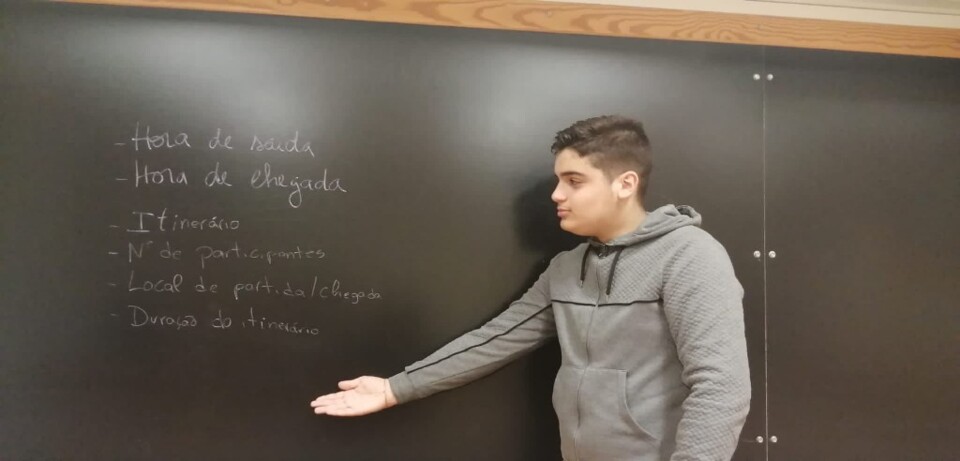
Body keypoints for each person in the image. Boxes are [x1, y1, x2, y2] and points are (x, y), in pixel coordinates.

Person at [311, 115, 751, 461]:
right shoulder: (567, 267)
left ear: (625, 184)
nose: (557, 194)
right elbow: (495, 339)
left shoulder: (689, 255)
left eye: (574, 181)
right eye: (558, 180)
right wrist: (396, 388)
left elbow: (721, 387)